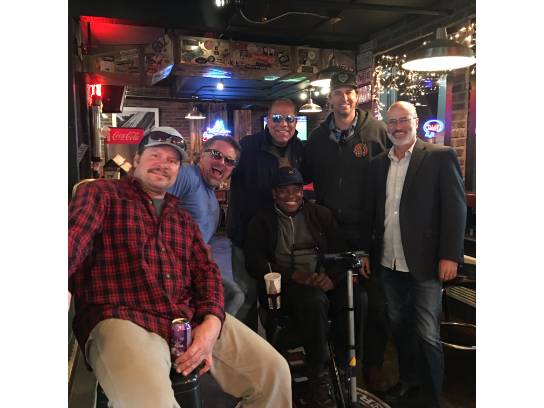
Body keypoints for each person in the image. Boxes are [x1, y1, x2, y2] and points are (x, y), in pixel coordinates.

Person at [69, 126, 292, 408]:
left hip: (186, 317)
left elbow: (207, 272)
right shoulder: (102, 194)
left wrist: (212, 322)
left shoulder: (181, 218)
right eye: (155, 155)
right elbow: (74, 238)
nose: (164, 164)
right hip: (122, 316)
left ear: (179, 168)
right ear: (136, 159)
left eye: (172, 160)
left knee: (273, 373)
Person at [361, 102, 466, 407]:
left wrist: (450, 255)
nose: (397, 127)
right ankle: (409, 382)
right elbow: (372, 213)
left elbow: (455, 209)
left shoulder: (440, 156)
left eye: (403, 120)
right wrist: (366, 252)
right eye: (392, 122)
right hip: (388, 261)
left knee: (427, 333)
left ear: (416, 122)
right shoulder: (377, 164)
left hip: (426, 263)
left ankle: (432, 397)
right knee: (400, 327)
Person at [245, 167, 367, 408]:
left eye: (296, 189)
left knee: (357, 296)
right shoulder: (261, 220)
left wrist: (331, 277)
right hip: (287, 285)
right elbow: (254, 262)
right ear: (274, 193)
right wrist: (294, 276)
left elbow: (340, 251)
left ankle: (347, 365)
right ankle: (318, 373)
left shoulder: (320, 214)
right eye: (284, 190)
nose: (291, 195)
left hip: (321, 277)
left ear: (303, 192)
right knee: (314, 300)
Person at [301, 70, 391, 391]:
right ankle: (340, 361)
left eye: (350, 92)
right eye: (338, 92)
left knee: (375, 302)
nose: (345, 98)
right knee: (338, 295)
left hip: (369, 229)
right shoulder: (317, 138)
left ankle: (374, 364)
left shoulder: (377, 131)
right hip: (330, 231)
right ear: (330, 98)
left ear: (357, 96)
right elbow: (303, 177)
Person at [228, 98, 305, 330]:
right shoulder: (247, 147)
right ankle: (244, 347)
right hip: (246, 233)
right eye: (277, 118)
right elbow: (223, 170)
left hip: (281, 237)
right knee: (246, 296)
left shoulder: (301, 149)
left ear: (296, 122)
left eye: (289, 118)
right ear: (268, 120)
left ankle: (275, 344)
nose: (283, 124)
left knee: (278, 295)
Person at [167, 135, 245, 316]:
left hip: (192, 269)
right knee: (232, 295)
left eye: (229, 161)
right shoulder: (186, 175)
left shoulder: (211, 196)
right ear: (202, 154)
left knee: (234, 295)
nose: (222, 162)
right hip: (172, 270)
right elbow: (155, 213)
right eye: (216, 155)